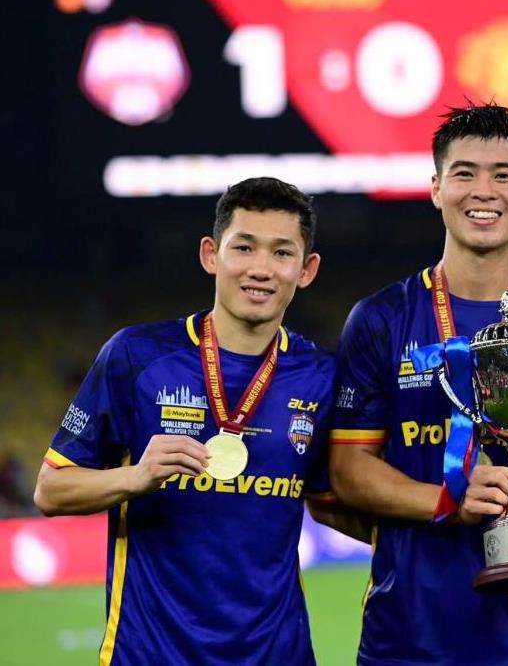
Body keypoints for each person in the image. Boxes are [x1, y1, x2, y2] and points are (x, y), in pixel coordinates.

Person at [33, 177, 362, 665]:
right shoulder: (136, 357)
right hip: (151, 654)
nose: (260, 269)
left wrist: (444, 522)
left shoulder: (321, 376)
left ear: (306, 269)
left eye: (281, 253)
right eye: (243, 247)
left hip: (278, 654)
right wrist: (136, 477)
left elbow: (334, 503)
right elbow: (50, 491)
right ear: (211, 254)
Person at [329, 103, 508, 666]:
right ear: (436, 189)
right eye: (464, 173)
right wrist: (449, 501)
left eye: (503, 174)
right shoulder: (381, 319)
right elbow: (348, 470)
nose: (484, 191)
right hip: (407, 642)